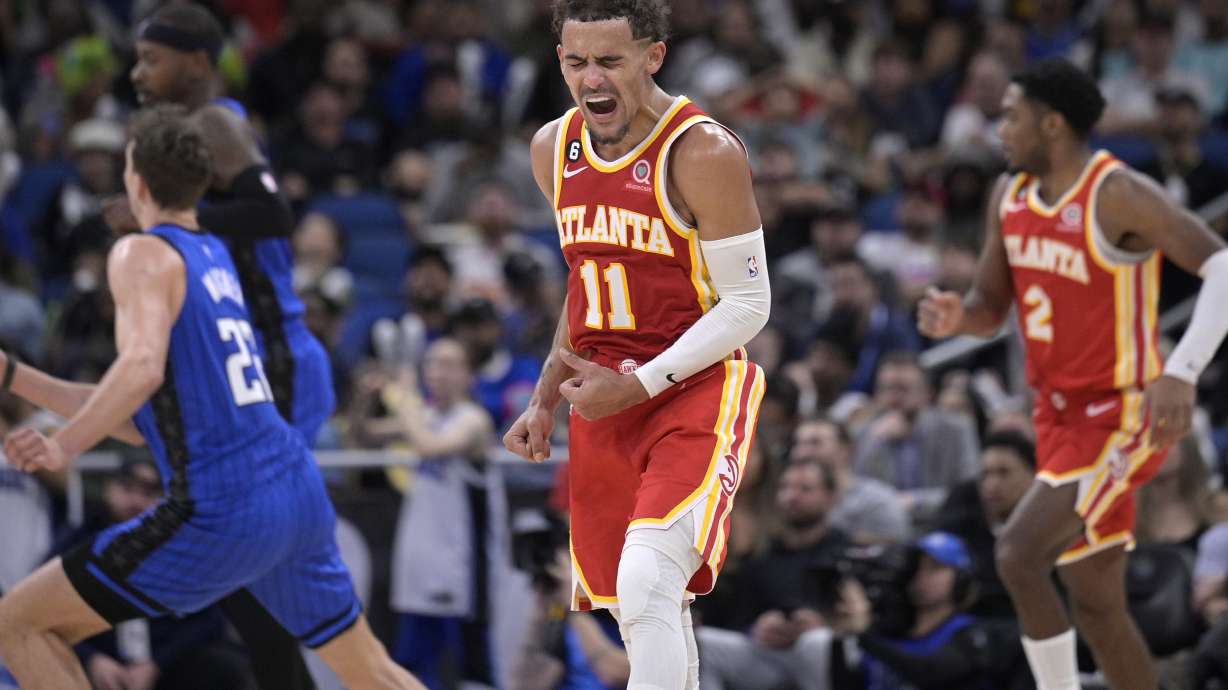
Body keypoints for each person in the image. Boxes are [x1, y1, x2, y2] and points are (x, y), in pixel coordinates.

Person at [0, 107, 420, 690]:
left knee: (20, 624)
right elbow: (145, 419)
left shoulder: (140, 254)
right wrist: (13, 376)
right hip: (293, 488)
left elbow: (140, 367)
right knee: (372, 671)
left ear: (137, 181)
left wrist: (60, 446)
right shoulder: (212, 255)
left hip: (225, 506)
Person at [919, 57, 1228, 690]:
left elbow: (1222, 266)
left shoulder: (1116, 192)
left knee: (1019, 554)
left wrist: (1183, 369)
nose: (998, 128)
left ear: (1053, 124)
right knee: (1096, 603)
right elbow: (989, 307)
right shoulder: (1009, 196)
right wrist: (959, 318)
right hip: (1055, 416)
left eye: (1011, 116)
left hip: (1125, 412)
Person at [502, 2, 771, 687]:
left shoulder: (703, 150)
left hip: (695, 389)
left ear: (653, 56)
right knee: (644, 607)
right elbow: (587, 280)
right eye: (575, 62)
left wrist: (642, 381)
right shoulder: (551, 148)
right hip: (605, 400)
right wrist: (543, 399)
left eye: (609, 61)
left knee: (649, 575)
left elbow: (749, 303)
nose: (591, 78)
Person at [109, 7, 341, 688]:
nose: (137, 72)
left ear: (199, 64)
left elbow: (274, 214)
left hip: (278, 356)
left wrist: (169, 219)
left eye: (153, 59)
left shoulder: (217, 121)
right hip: (248, 360)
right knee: (253, 564)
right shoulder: (181, 137)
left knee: (254, 552)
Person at [938, 430, 1037, 619]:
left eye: (1004, 473)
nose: (992, 484)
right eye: (985, 474)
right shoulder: (961, 512)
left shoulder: (1053, 530)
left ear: (1034, 476)